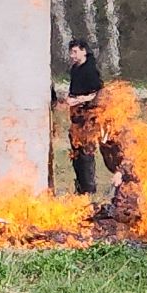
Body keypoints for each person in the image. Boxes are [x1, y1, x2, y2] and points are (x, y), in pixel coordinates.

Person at [62, 38, 105, 195]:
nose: (72, 55)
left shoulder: (90, 69)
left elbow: (98, 92)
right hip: (76, 115)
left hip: (89, 116)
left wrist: (81, 99)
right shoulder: (75, 69)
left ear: (83, 51)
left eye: (75, 51)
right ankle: (80, 186)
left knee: (86, 151)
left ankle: (88, 187)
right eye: (70, 52)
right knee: (76, 151)